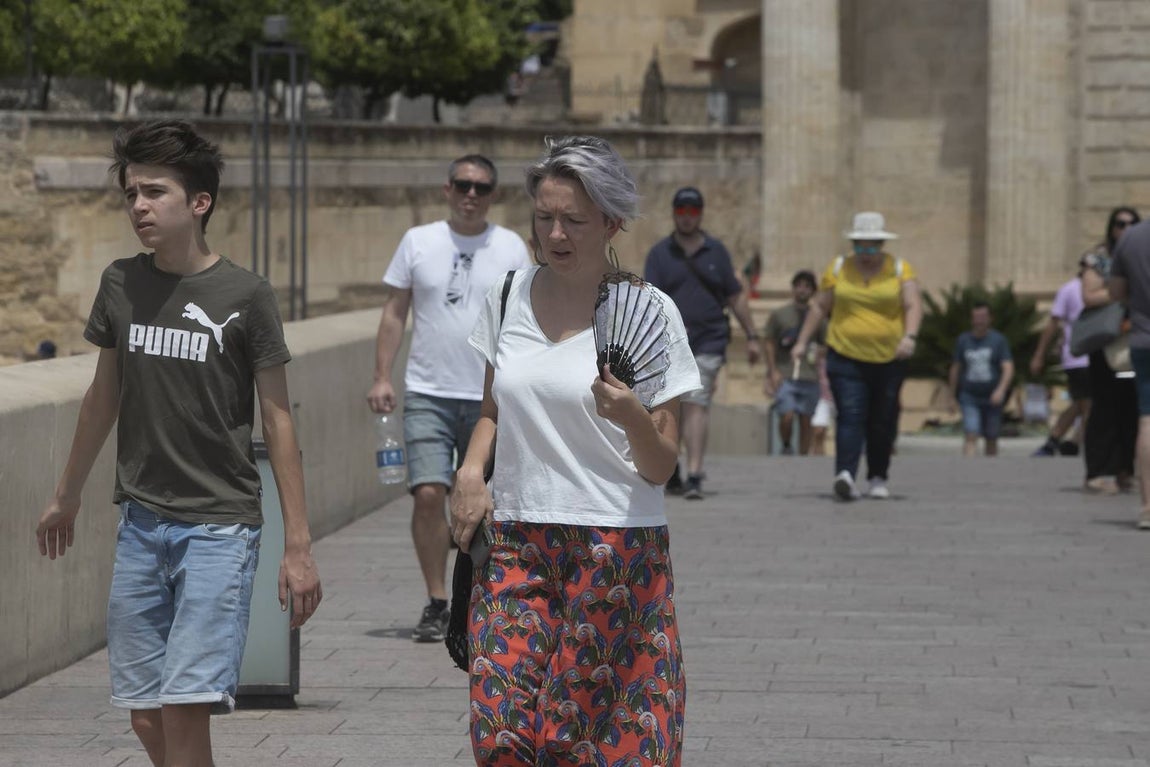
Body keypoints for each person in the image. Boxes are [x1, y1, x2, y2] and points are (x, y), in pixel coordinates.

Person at [35, 120, 322, 767]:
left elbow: (277, 422)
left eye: (154, 191)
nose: (138, 205)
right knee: (144, 714)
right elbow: (102, 397)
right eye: (131, 192)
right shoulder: (121, 283)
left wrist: (298, 546)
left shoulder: (245, 295)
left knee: (184, 705)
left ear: (199, 202)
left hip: (218, 529)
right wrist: (66, 495)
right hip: (141, 524)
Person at [449, 136, 700, 766]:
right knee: (501, 727)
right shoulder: (506, 296)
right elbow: (491, 410)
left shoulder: (649, 312)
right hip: (515, 539)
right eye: (543, 217)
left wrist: (633, 417)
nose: (555, 233)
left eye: (573, 221)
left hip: (613, 544)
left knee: (587, 740)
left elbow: (662, 463)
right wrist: (472, 471)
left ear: (611, 223)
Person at [366, 154, 530, 643]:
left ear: (493, 194)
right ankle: (438, 600)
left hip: (491, 399)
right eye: (463, 184)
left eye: (481, 187)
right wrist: (381, 376)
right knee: (429, 493)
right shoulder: (419, 241)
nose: (471, 194)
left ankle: (479, 595)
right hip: (428, 391)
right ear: (447, 189)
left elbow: (523, 319)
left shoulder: (511, 247)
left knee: (483, 502)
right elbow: (395, 312)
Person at [643, 186, 764, 498]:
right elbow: (649, 301)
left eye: (692, 212)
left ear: (700, 214)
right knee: (674, 407)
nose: (686, 218)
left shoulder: (717, 252)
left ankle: (695, 472)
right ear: (674, 214)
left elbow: (736, 297)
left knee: (696, 403)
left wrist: (751, 336)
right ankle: (673, 469)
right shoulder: (659, 254)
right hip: (668, 345)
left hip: (708, 340)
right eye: (681, 211)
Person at [792, 211, 922, 500]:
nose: (866, 252)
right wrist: (802, 341)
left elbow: (913, 305)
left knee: (882, 419)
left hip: (889, 359)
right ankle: (846, 474)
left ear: (881, 244)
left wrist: (909, 337)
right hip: (845, 355)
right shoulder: (839, 268)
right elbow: (819, 308)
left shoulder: (900, 269)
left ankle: (877, 475)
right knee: (851, 415)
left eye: (872, 245)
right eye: (860, 245)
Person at [1080, 207, 1140, 495]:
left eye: (1132, 223)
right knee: (1104, 405)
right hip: (1106, 342)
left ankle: (1124, 469)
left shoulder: (1141, 252)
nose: (1125, 228)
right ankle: (1098, 470)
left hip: (1133, 340)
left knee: (1131, 406)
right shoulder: (1097, 258)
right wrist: (1122, 291)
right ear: (1111, 227)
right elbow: (1089, 295)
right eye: (1120, 223)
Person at [1109, 216, 1150, 528]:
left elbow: (1116, 292)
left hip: (1142, 339)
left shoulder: (1131, 238)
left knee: (1147, 420)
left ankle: (1148, 508)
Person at [1030, 262, 1092, 457]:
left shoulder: (1106, 288)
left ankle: (1060, 441)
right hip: (1077, 357)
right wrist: (1039, 354)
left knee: (1083, 402)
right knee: (1088, 403)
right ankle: (1080, 444)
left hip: (1100, 355)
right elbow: (1053, 323)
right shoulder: (1070, 289)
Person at [764, 270, 825, 455]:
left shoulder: (819, 318)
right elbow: (769, 342)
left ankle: (803, 457)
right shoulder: (780, 314)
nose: (802, 290)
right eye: (799, 286)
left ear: (813, 291)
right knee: (787, 415)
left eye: (807, 287)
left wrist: (818, 352)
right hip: (785, 373)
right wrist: (772, 371)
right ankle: (786, 444)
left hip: (809, 374)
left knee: (807, 419)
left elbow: (826, 344)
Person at [948, 302, 1015, 456]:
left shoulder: (998, 341)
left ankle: (988, 472)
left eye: (983, 317)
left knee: (991, 437)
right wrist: (952, 396)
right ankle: (968, 472)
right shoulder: (963, 341)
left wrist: (1001, 390)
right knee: (971, 434)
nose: (979, 321)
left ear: (990, 319)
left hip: (992, 397)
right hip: (969, 396)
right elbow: (956, 368)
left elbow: (1008, 367)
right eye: (976, 317)